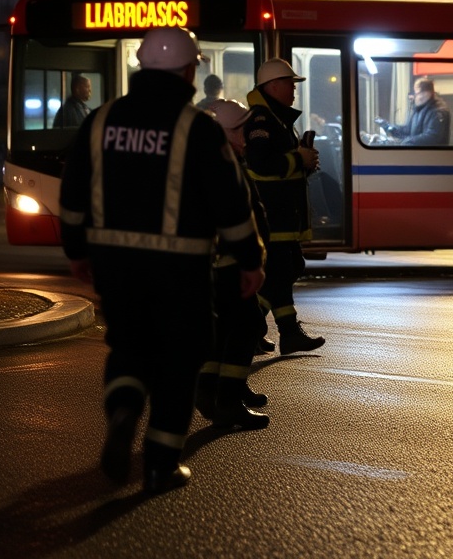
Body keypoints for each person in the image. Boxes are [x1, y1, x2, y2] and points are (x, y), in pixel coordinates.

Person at [59, 26, 265, 495]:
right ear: (189, 68)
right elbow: (232, 205)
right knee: (179, 360)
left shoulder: (100, 119)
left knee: (128, 347)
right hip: (181, 269)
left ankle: (123, 410)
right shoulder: (198, 128)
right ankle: (159, 466)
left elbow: (72, 196)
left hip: (114, 264)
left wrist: (77, 251)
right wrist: (250, 260)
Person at [196, 98, 271, 429]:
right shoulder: (223, 165)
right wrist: (250, 259)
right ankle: (227, 401)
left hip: (217, 264)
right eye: (240, 127)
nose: (246, 132)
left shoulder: (211, 160)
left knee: (224, 329)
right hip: (229, 264)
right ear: (224, 131)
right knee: (248, 325)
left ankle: (211, 390)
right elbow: (238, 217)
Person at [244, 58, 326, 355]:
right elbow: (261, 164)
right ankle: (269, 332)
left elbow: (280, 164)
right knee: (282, 271)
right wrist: (297, 160)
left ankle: (257, 331)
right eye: (290, 83)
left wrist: (304, 162)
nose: (294, 89)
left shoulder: (277, 118)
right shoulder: (262, 121)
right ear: (273, 85)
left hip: (283, 213)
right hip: (273, 213)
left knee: (286, 270)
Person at [379, 77, 451, 145]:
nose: (412, 96)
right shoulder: (418, 111)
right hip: (418, 154)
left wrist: (408, 141)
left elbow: (432, 137)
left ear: (426, 94)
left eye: (416, 93)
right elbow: (407, 130)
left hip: (432, 156)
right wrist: (390, 128)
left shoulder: (438, 112)